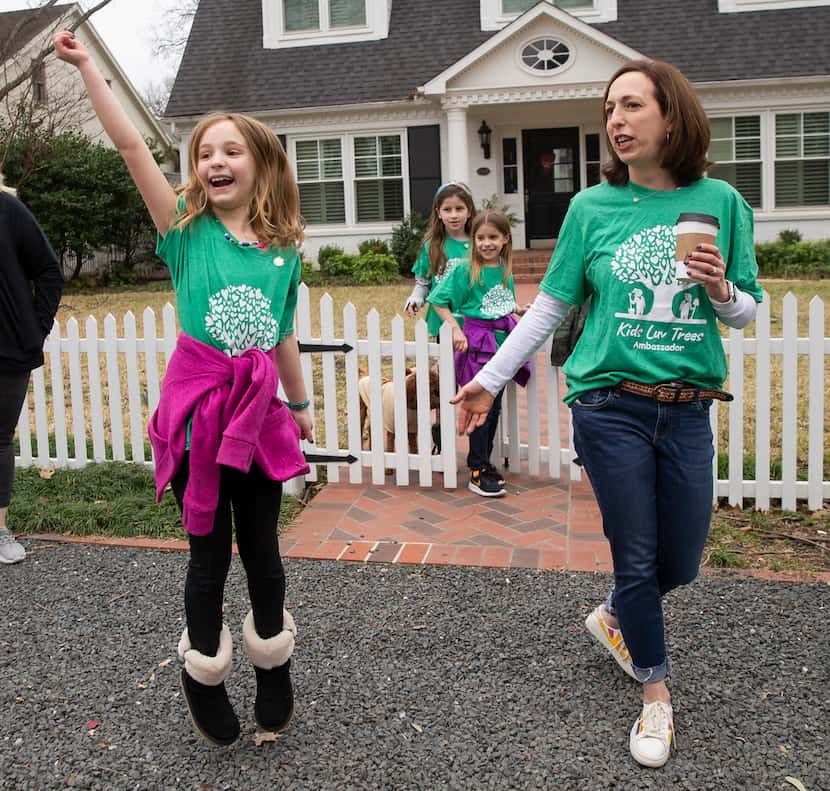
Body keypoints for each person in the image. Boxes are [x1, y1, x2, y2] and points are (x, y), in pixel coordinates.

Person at [451, 59, 762, 768]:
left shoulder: (722, 201)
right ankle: (655, 693)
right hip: (608, 402)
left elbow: (746, 311)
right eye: (610, 108)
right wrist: (492, 381)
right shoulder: (592, 209)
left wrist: (717, 288)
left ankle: (619, 614)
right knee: (639, 551)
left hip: (685, 409)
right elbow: (554, 307)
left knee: (681, 560)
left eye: (632, 106)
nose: (617, 120)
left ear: (672, 116)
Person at [54, 30, 314, 747]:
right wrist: (87, 71)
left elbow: (283, 334)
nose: (215, 160)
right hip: (202, 417)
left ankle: (271, 659)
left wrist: (301, 404)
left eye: (232, 150)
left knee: (263, 549)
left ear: (262, 166)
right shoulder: (183, 231)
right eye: (205, 152)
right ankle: (203, 670)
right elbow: (135, 148)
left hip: (261, 421)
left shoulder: (286, 251)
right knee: (208, 554)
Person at [429, 210, 530, 498]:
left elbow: (500, 302)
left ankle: (483, 463)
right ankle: (477, 469)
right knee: (479, 402)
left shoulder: (503, 267)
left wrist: (517, 309)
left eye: (493, 237)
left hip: (501, 341)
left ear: (505, 239)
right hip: (477, 342)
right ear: (473, 240)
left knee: (493, 404)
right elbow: (438, 300)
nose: (486, 243)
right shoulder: (464, 268)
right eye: (481, 237)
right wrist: (456, 330)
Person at [0, 175, 63, 565]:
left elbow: (49, 272)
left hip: (6, 351)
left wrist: (33, 330)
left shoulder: (7, 210)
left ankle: (0, 531)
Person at [404, 181, 474, 337]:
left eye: (459, 208)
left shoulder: (480, 243)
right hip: (443, 321)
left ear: (469, 211)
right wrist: (415, 299)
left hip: (474, 320)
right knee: (447, 361)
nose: (454, 215)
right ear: (439, 213)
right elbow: (423, 283)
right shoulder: (431, 246)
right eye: (447, 210)